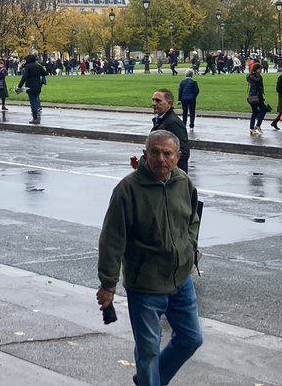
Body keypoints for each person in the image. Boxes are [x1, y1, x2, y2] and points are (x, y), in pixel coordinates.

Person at [98, 130, 203, 386]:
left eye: (167, 153)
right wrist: (108, 284)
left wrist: (189, 247)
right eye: (154, 152)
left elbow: (193, 220)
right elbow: (112, 239)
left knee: (191, 338)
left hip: (180, 280)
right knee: (148, 350)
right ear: (145, 154)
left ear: (177, 157)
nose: (161, 159)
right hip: (145, 283)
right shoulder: (128, 189)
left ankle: (151, 381)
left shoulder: (184, 183)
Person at [142, 89, 191, 175]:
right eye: (153, 100)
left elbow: (184, 153)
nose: (154, 103)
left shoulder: (173, 123)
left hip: (171, 178)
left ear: (169, 103)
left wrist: (167, 168)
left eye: (158, 101)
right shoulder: (161, 120)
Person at [17, 54, 48, 125]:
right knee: (36, 100)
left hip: (30, 86)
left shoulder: (28, 67)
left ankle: (35, 118)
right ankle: (36, 115)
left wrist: (19, 86)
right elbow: (45, 73)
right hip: (38, 85)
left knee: (32, 102)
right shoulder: (38, 66)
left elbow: (24, 77)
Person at [246, 63, 267, 136]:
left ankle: (258, 125)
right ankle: (252, 128)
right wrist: (257, 74)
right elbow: (258, 80)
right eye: (260, 69)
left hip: (258, 96)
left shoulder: (253, 76)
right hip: (254, 96)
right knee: (255, 112)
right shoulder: (252, 76)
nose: (261, 71)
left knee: (263, 110)